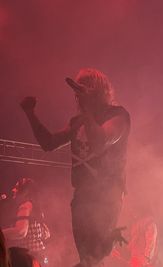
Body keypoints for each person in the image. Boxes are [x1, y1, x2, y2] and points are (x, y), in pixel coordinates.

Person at [20, 68, 130, 267]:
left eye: (85, 89)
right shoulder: (78, 121)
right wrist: (30, 114)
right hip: (82, 195)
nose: (79, 97)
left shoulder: (118, 116)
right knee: (86, 258)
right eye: (78, 92)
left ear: (99, 91)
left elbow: (100, 141)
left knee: (93, 258)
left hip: (107, 196)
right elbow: (49, 143)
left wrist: (87, 108)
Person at [2, 178, 50, 267]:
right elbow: (47, 234)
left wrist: (1, 234)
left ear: (25, 191)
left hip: (29, 257)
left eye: (17, 187)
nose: (13, 190)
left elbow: (20, 232)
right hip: (39, 256)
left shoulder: (25, 206)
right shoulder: (36, 207)